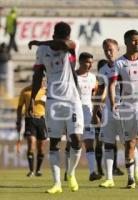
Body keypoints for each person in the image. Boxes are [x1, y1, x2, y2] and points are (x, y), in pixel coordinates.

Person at [28, 22, 83, 194]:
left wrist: (40, 42)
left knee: (76, 139)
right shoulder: (42, 51)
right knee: (54, 142)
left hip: (73, 100)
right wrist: (32, 99)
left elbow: (66, 45)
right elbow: (38, 75)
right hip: (52, 100)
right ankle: (57, 183)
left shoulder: (72, 45)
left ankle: (71, 173)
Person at [108, 30, 138, 188]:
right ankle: (130, 179)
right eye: (134, 41)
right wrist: (114, 101)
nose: (137, 43)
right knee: (129, 143)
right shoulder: (119, 63)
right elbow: (112, 84)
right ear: (127, 42)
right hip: (127, 106)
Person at [94, 39, 125, 188]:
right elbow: (100, 90)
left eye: (111, 49)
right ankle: (109, 178)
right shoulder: (103, 70)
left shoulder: (125, 65)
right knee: (108, 143)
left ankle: (137, 174)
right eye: (106, 50)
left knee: (129, 143)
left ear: (118, 49)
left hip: (125, 110)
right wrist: (96, 110)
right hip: (108, 111)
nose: (108, 52)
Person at [75, 52, 102, 181]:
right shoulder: (72, 77)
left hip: (88, 113)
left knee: (90, 142)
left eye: (92, 62)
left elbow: (95, 95)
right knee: (74, 143)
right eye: (87, 62)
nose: (90, 65)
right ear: (80, 62)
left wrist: (96, 113)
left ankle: (92, 172)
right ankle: (70, 172)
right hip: (74, 113)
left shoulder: (92, 78)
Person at [16, 83, 47, 177]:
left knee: (41, 147)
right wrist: (18, 121)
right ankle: (31, 170)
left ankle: (38, 170)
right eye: (40, 79)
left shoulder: (46, 91)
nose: (42, 82)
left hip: (42, 120)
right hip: (30, 119)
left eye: (43, 79)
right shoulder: (25, 90)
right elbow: (20, 107)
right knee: (31, 142)